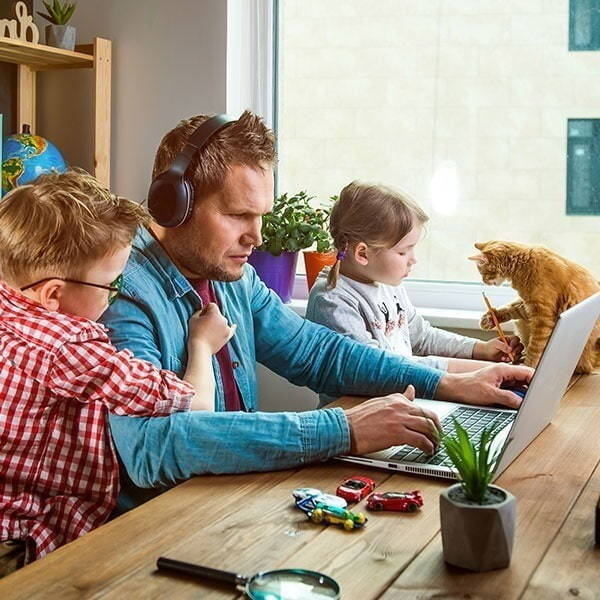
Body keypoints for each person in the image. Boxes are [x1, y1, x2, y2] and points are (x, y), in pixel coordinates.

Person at [100, 110, 533, 511]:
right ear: (173, 204)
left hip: (226, 496)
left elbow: (318, 353)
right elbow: (151, 445)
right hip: (158, 520)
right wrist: (343, 429)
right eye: (238, 215)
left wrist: (450, 383)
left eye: (261, 215)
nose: (257, 235)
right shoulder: (119, 291)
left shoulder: (231, 277)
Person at [0, 170, 233, 564]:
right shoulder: (71, 348)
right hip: (22, 544)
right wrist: (201, 345)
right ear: (54, 294)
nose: (118, 294)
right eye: (112, 284)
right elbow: (194, 406)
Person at [306, 181, 524, 406]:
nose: (413, 259)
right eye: (403, 251)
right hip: (361, 420)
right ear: (363, 253)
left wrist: (479, 350)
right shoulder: (333, 300)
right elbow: (379, 369)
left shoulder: (388, 284)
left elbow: (422, 337)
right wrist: (474, 371)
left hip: (405, 404)